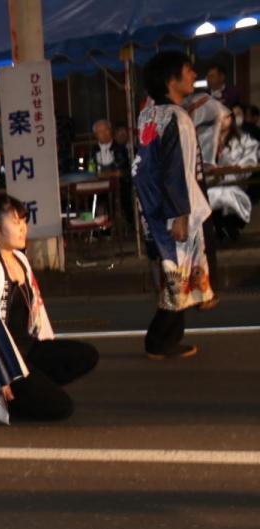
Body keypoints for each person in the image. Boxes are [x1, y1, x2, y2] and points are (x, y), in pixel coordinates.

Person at [0, 194, 98, 423]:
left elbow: (37, 309)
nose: (23, 228)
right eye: (16, 222)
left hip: (25, 351)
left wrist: (47, 343)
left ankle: (29, 390)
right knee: (62, 408)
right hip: (2, 362)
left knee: (85, 355)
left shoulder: (19, 258)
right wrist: (2, 376)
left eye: (23, 221)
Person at [133, 51, 215, 359]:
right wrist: (180, 213)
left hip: (154, 207)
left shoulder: (148, 115)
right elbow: (176, 169)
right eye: (188, 70)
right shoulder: (177, 118)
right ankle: (159, 341)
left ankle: (168, 338)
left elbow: (145, 167)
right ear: (171, 80)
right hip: (174, 209)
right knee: (176, 275)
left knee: (174, 272)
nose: (194, 75)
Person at [207, 114, 259, 239]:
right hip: (213, 182)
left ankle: (230, 227)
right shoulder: (208, 139)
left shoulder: (244, 139)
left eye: (224, 117)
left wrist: (235, 168)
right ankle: (220, 228)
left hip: (234, 182)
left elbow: (250, 161)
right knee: (210, 195)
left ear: (231, 119)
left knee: (227, 195)